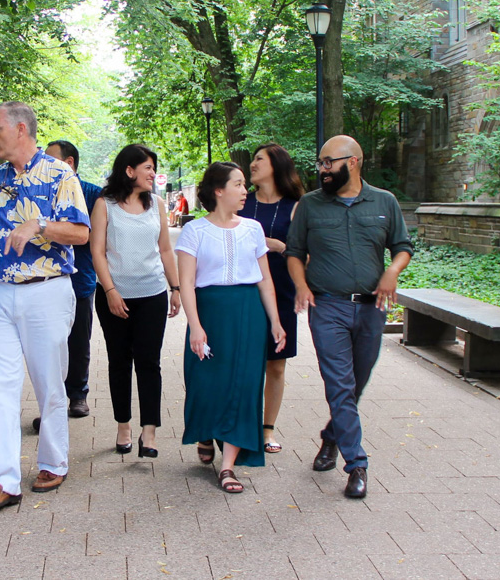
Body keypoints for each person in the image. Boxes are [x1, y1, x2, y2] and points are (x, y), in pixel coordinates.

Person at [0, 102, 91, 513]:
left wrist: (38, 225)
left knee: (49, 381)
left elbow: (81, 234)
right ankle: (2, 480)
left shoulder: (60, 174)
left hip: (45, 291)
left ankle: (53, 461)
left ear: (21, 129)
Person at [286, 135, 413, 499]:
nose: (323, 169)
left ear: (353, 162)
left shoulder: (384, 202)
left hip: (373, 308)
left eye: (329, 162)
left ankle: (331, 437)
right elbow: (294, 252)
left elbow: (402, 247)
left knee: (356, 383)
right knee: (339, 385)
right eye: (321, 163)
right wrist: (301, 285)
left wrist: (392, 272)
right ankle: (357, 464)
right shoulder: (311, 205)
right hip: (328, 307)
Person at [176, 162, 284, 493]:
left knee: (244, 384)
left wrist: (276, 322)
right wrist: (195, 326)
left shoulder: (252, 228)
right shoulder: (194, 230)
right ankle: (206, 432)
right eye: (237, 184)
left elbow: (265, 280)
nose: (244, 190)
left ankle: (228, 467)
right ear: (218, 190)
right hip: (209, 312)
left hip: (248, 313)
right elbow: (187, 283)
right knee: (206, 382)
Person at [90, 144, 180, 458]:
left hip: (152, 294)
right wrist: (111, 290)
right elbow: (97, 251)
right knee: (119, 361)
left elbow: (166, 250)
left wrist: (176, 287)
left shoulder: (156, 204)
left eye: (154, 169)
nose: (153, 174)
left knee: (149, 362)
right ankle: (123, 426)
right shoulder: (105, 205)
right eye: (148, 168)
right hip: (114, 297)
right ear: (130, 171)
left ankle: (150, 432)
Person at [30, 140, 101, 429]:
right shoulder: (41, 190)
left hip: (80, 277)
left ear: (69, 163)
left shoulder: (95, 194)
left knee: (78, 340)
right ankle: (51, 401)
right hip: (46, 279)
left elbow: (97, 237)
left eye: (50, 159)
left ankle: (78, 395)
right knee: (49, 344)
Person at [238, 144, 304, 455]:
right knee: (245, 363)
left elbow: (306, 253)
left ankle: (267, 430)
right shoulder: (241, 202)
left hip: (281, 291)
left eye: (259, 159)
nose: (252, 164)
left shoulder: (295, 207)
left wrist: (279, 246)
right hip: (244, 291)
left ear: (276, 166)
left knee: (276, 366)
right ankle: (241, 425)